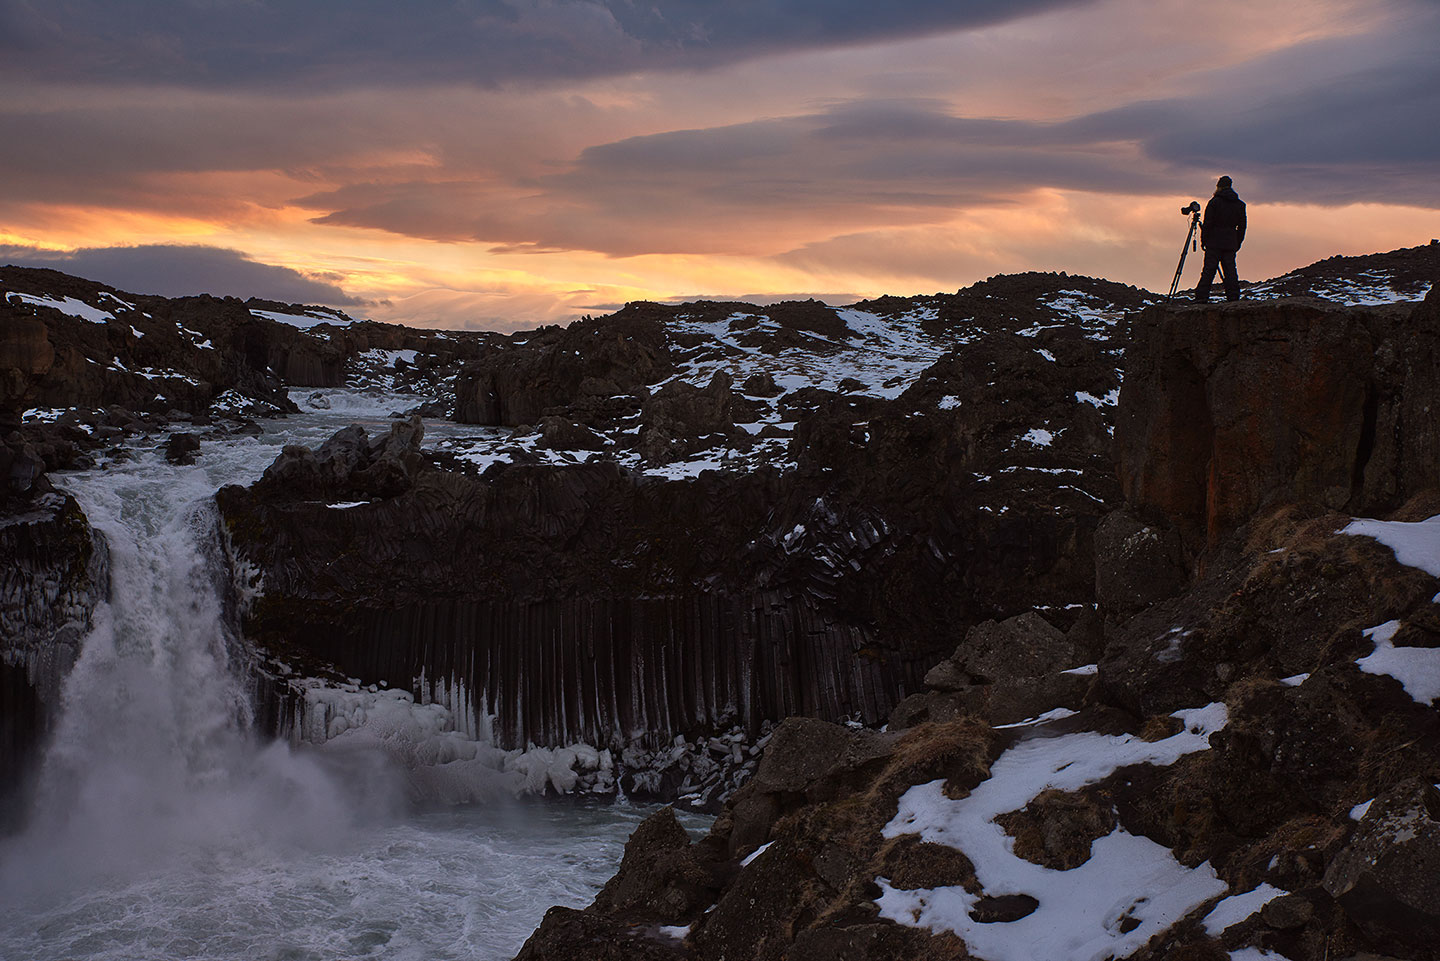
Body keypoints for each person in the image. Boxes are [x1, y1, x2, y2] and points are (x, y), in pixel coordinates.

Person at [1195, 175, 1246, 303]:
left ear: (1219, 186)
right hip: (1230, 242)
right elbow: (1242, 226)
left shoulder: (1214, 202)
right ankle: (1233, 297)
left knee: (1209, 270)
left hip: (1214, 241)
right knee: (1230, 270)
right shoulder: (1240, 205)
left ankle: (1202, 297)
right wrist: (1237, 242)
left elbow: (1208, 224)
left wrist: (1204, 241)